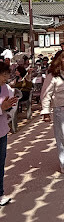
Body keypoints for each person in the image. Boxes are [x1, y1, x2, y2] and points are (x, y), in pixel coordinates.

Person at [0, 61, 17, 205]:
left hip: (2, 131)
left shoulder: (7, 88)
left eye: (7, 74)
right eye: (3, 74)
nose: (6, 78)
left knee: (0, 163)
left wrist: (10, 109)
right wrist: (1, 108)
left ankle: (0, 193)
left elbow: (11, 108)